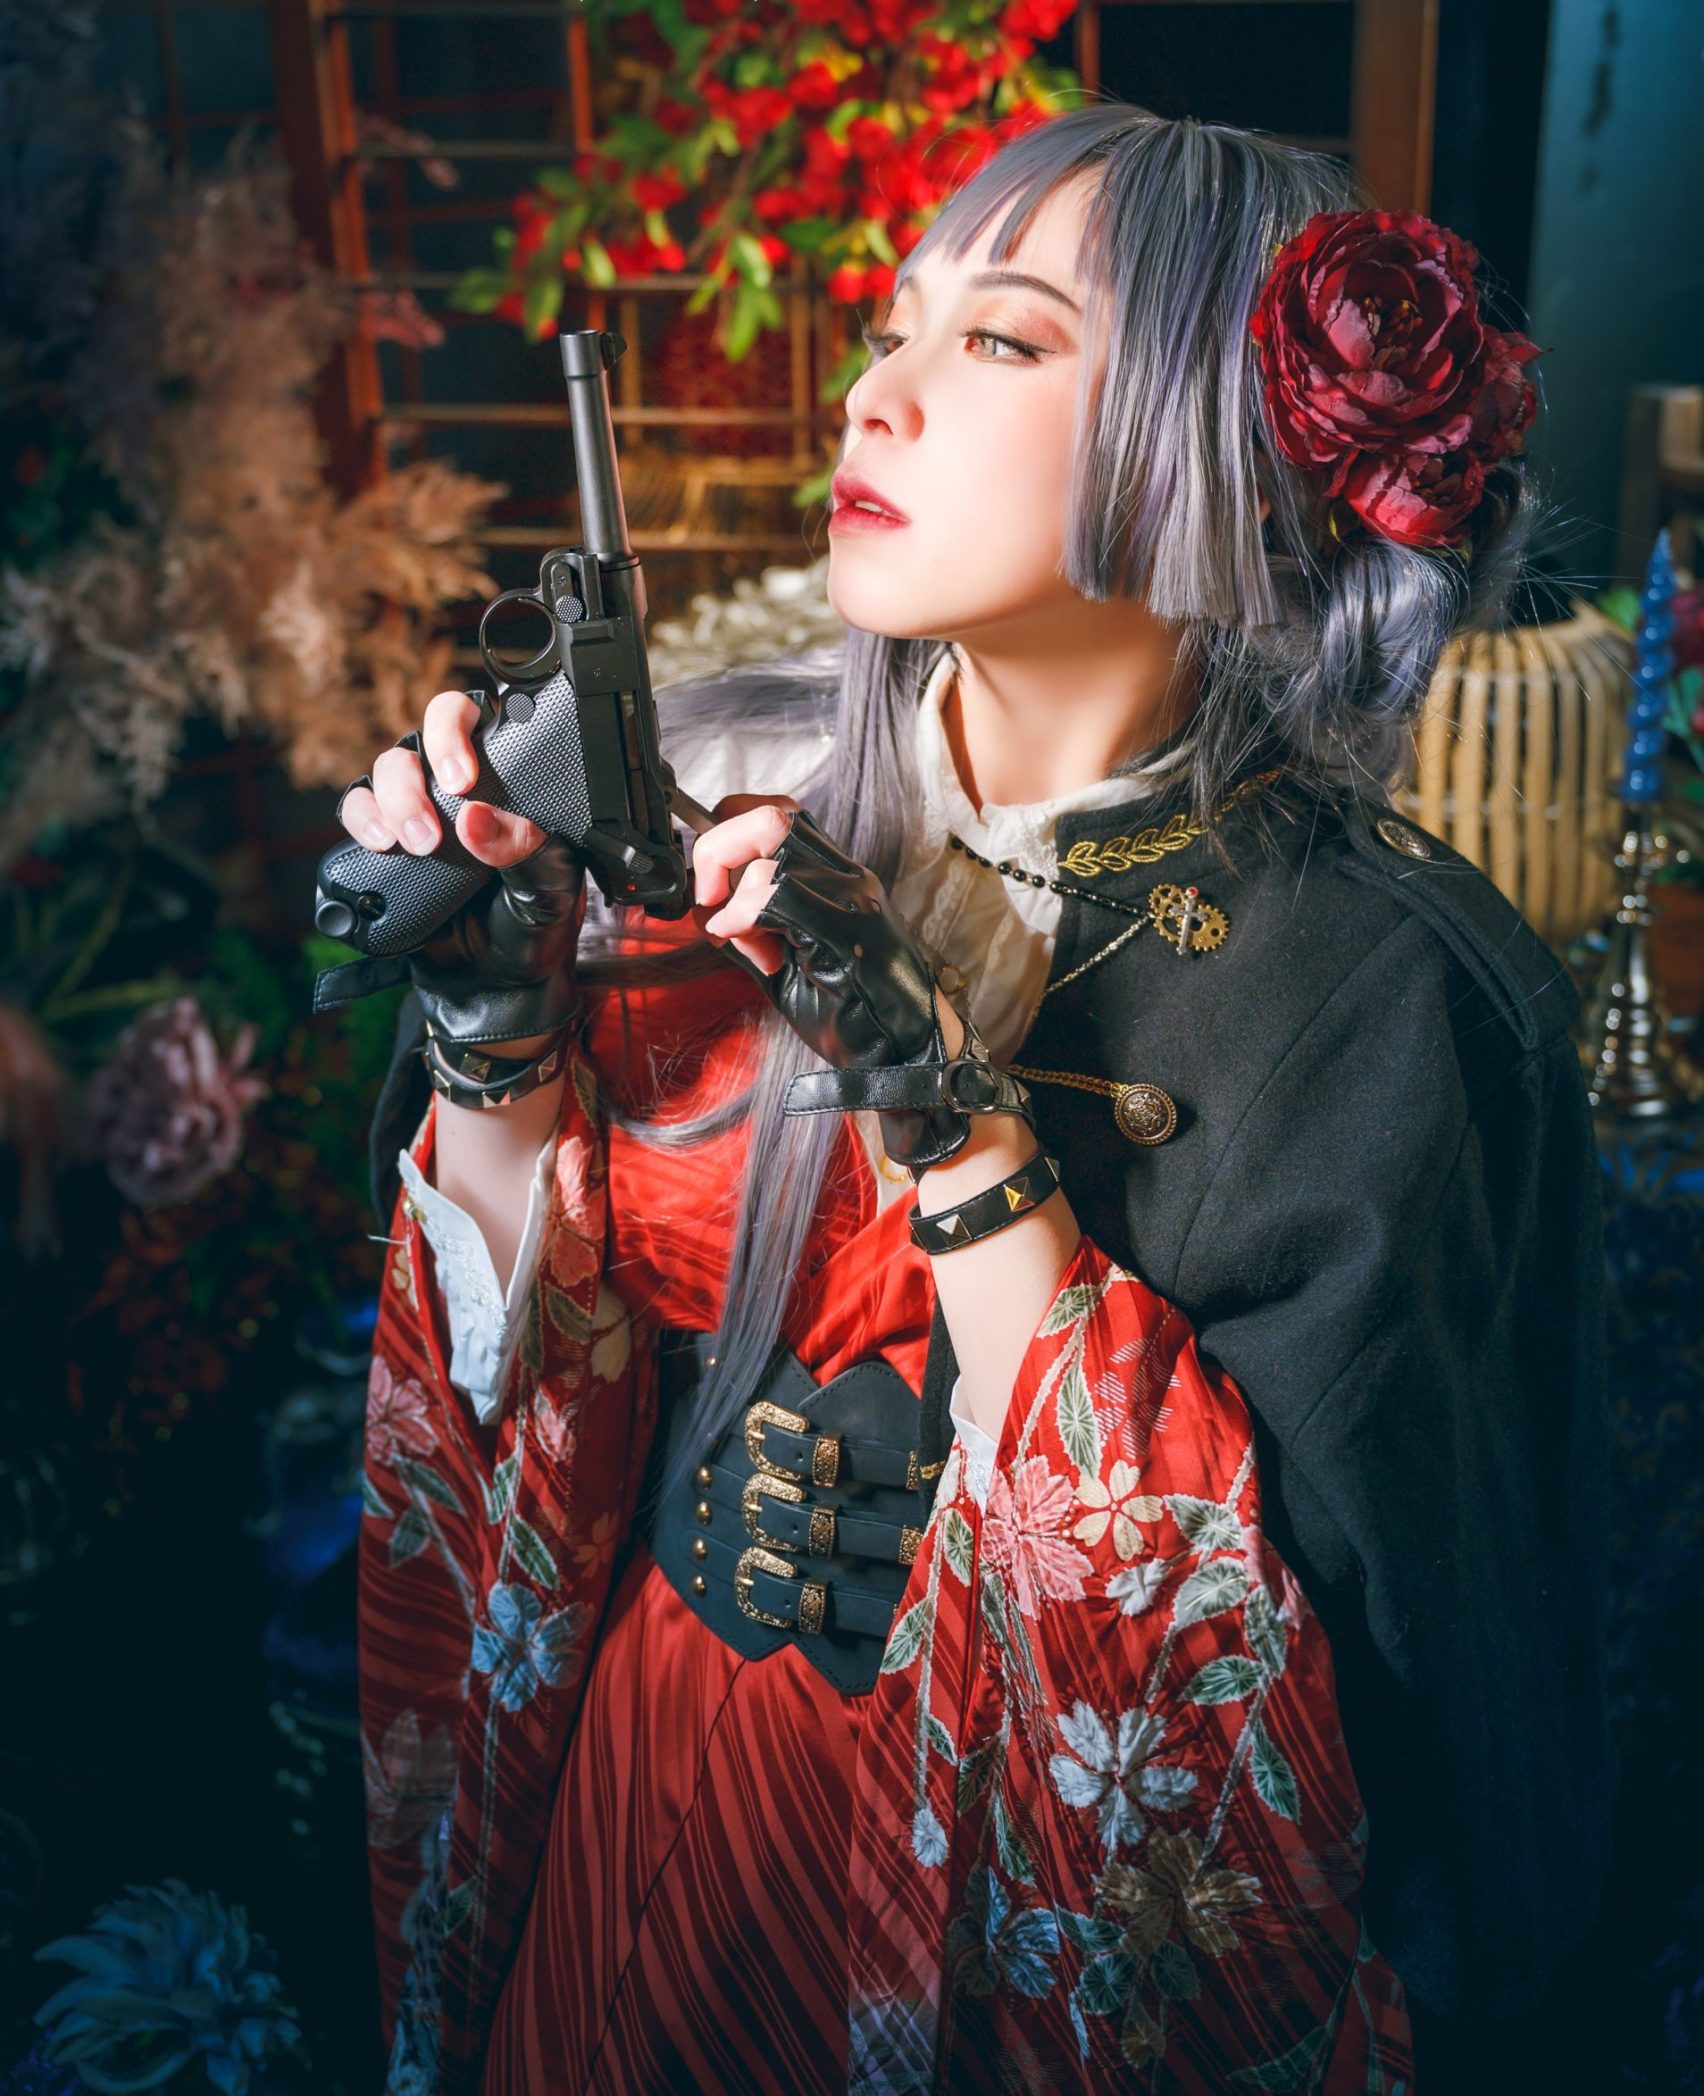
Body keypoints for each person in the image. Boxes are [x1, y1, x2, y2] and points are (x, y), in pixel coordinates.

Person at [339, 103, 1611, 2095]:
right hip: (648, 1782)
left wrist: (950, 1118)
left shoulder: (1391, 990)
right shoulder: (702, 784)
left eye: (1002, 338)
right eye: (894, 327)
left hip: (1029, 1916)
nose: (877, 393)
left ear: (1220, 441)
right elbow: (515, 1390)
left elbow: (1355, 1683)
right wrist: (495, 1026)